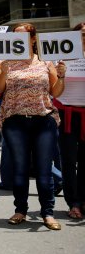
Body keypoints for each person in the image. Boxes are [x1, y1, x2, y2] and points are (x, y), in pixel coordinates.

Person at [0, 22, 65, 230]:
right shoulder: (6, 62)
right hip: (14, 121)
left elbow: (56, 92)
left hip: (43, 120)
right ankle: (20, 210)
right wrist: (3, 71)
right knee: (20, 169)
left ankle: (48, 213)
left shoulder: (45, 62)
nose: (18, 39)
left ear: (33, 39)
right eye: (15, 36)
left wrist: (61, 75)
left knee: (44, 169)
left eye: (23, 36)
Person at [54, 22, 85, 220]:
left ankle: (83, 199)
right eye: (82, 34)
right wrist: (60, 73)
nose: (84, 37)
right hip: (66, 114)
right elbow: (54, 87)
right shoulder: (61, 58)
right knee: (68, 161)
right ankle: (73, 202)